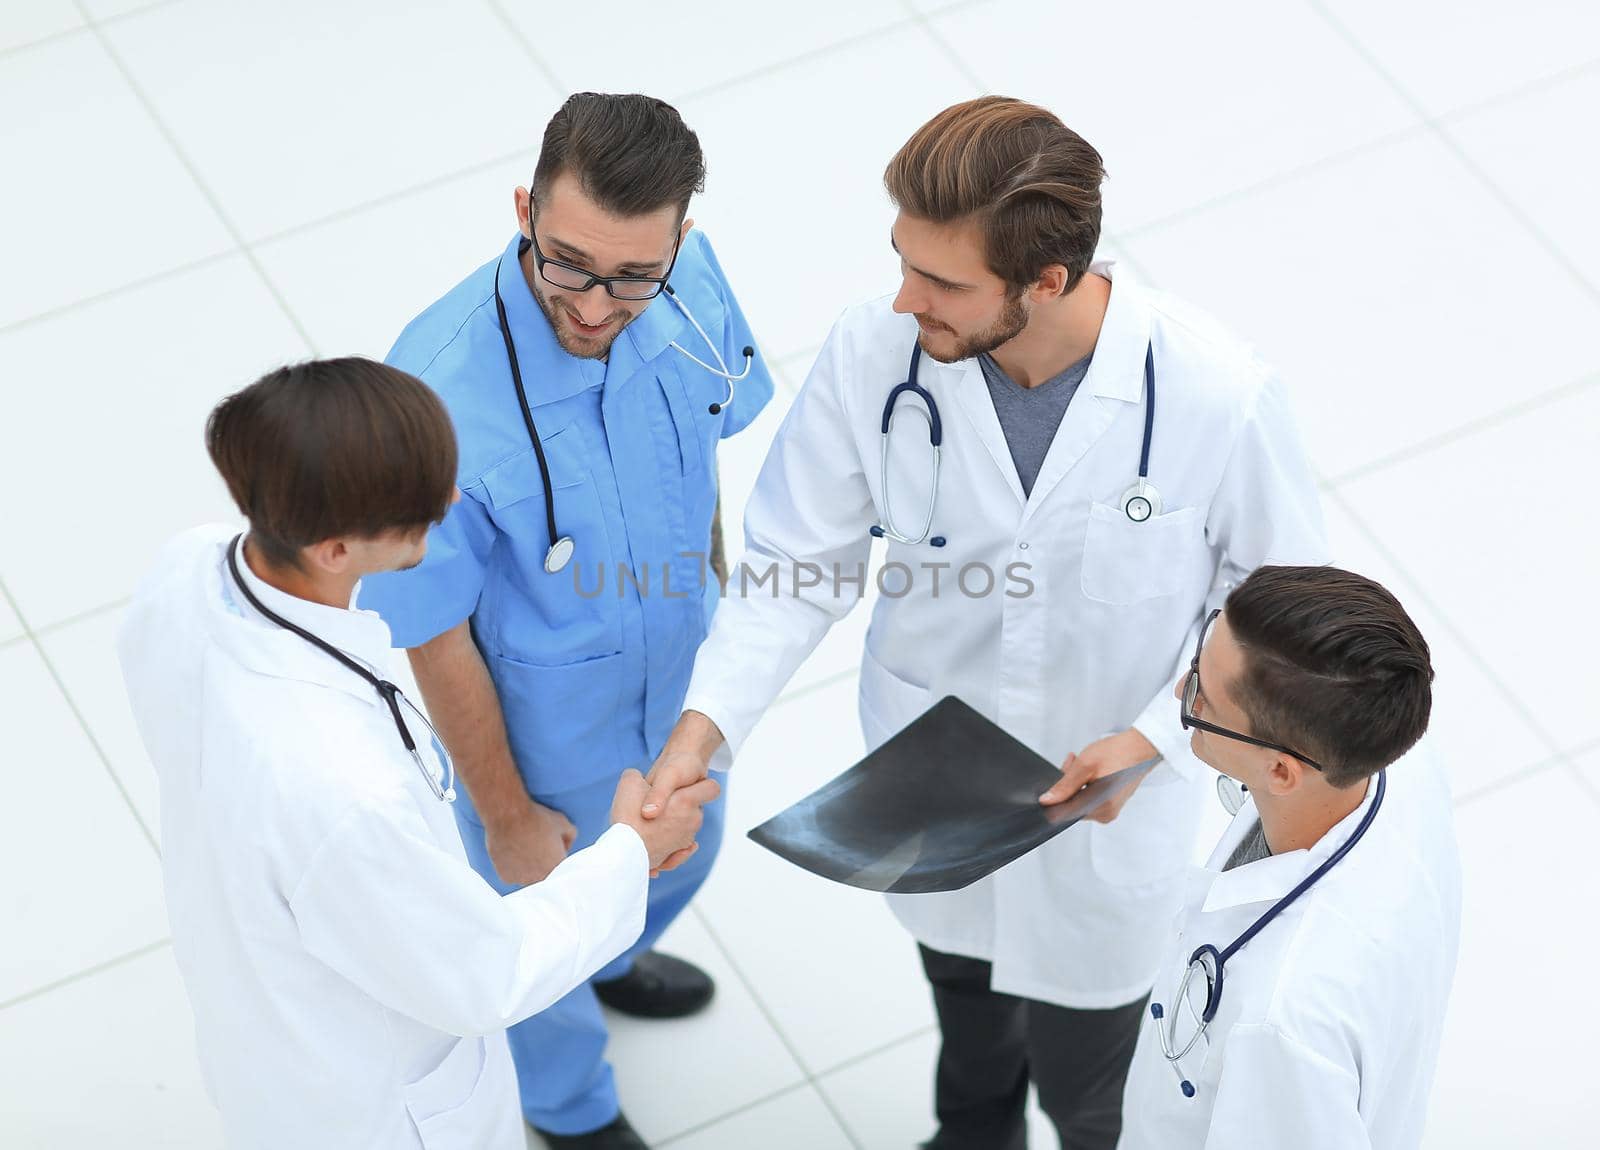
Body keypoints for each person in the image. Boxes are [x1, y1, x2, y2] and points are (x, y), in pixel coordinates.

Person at [640, 96, 1328, 1150]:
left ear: (1045, 281)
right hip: (926, 791)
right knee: (964, 1019)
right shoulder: (877, 353)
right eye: (903, 261)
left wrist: (1153, 738)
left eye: (943, 281)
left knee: (1093, 1090)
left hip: (1108, 814)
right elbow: (795, 560)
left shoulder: (1211, 395)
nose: (905, 298)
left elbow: (1277, 615)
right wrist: (706, 724)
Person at [117, 359, 718, 1150]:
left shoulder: (188, 570)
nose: (449, 504)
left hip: (266, 995)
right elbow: (485, 973)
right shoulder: (340, 790)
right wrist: (629, 857)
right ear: (334, 547)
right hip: (376, 1115)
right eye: (418, 511)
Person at [356, 92, 774, 1149]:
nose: (594, 306)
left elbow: (710, 457)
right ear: (523, 213)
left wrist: (715, 625)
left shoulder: (691, 296)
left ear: (679, 243)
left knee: (689, 850)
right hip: (542, 743)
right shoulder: (433, 393)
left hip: (677, 692)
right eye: (567, 264)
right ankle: (568, 1106)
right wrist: (503, 813)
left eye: (633, 274)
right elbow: (430, 627)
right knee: (533, 937)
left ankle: (615, 949)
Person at [1118, 564, 1461, 1148]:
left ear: (1280, 771)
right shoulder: (1387, 758)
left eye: (1204, 696)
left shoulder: (1280, 1021)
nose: (1181, 691)